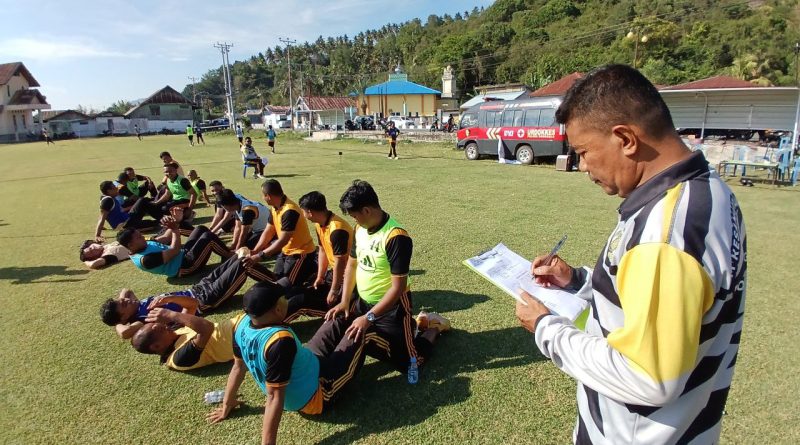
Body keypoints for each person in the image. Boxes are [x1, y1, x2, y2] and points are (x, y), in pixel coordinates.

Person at [514, 65, 747, 445]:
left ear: (625, 138)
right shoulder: (706, 191)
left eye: (583, 152)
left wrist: (545, 328)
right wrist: (577, 280)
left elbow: (646, 377)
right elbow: (654, 303)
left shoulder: (664, 236)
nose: (582, 166)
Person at [206, 283, 367, 444]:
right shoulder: (280, 341)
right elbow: (274, 396)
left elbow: (238, 367)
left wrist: (228, 403)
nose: (287, 301)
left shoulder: (241, 324)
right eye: (284, 298)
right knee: (363, 331)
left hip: (309, 363)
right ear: (278, 309)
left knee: (337, 316)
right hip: (318, 394)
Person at [324, 180, 450, 375]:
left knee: (411, 363)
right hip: (364, 303)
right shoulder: (359, 229)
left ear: (367, 210)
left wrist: (369, 317)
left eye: (355, 216)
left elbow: (397, 288)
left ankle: (434, 327)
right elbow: (352, 264)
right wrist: (345, 300)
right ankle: (414, 326)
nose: (354, 221)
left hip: (393, 309)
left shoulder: (396, 237)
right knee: (355, 332)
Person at [100, 255, 276, 339]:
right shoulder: (141, 320)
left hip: (198, 287)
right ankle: (279, 285)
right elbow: (124, 333)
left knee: (237, 257)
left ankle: (278, 280)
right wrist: (119, 322)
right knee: (244, 264)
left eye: (122, 301)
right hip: (205, 299)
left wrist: (120, 305)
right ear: (124, 317)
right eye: (123, 305)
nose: (125, 300)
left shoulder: (136, 305)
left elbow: (126, 290)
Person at [293, 190, 354, 321]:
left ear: (310, 212)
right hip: (335, 271)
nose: (304, 215)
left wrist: (334, 290)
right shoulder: (319, 223)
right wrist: (320, 276)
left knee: (305, 301)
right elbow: (322, 250)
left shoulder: (337, 230)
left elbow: (341, 263)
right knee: (305, 288)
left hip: (348, 275)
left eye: (304, 211)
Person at [244, 180, 317, 286]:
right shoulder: (275, 208)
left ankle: (311, 270)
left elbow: (283, 240)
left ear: (268, 196)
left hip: (301, 253)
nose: (263, 198)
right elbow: (268, 231)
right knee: (276, 278)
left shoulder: (289, 211)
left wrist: (260, 255)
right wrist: (256, 250)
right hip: (286, 251)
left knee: (286, 285)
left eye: (263, 195)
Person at [117, 217, 232, 278]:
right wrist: (175, 230)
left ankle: (224, 252)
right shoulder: (145, 260)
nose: (142, 237)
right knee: (208, 238)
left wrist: (174, 222)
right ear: (130, 245)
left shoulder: (143, 244)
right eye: (138, 237)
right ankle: (230, 256)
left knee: (200, 229)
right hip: (185, 266)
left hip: (184, 254)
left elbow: (165, 238)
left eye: (140, 235)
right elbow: (175, 250)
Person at [130, 308, 237, 371]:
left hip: (237, 322)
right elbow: (207, 328)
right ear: (156, 346)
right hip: (240, 338)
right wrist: (171, 314)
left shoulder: (174, 332)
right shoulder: (178, 358)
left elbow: (191, 305)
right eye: (160, 330)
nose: (163, 325)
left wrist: (169, 299)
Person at [94, 181, 160, 239]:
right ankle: (159, 219)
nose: (117, 188)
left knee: (142, 200)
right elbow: (102, 217)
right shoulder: (107, 201)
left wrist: (136, 205)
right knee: (155, 224)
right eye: (114, 187)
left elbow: (121, 210)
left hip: (129, 217)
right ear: (109, 191)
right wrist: (97, 235)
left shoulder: (110, 197)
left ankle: (160, 214)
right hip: (126, 225)